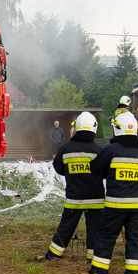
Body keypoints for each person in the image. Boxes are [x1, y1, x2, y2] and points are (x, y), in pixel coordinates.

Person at [84, 112, 138, 274]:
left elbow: (95, 169)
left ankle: (99, 270)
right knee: (135, 238)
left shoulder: (111, 150)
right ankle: (133, 272)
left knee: (106, 235)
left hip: (116, 205)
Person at [36, 112, 105, 263]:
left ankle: (53, 255)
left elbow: (58, 168)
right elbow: (105, 172)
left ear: (77, 127)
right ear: (94, 128)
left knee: (66, 227)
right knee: (94, 229)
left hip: (75, 198)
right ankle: (92, 259)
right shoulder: (99, 150)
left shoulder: (66, 148)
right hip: (96, 199)